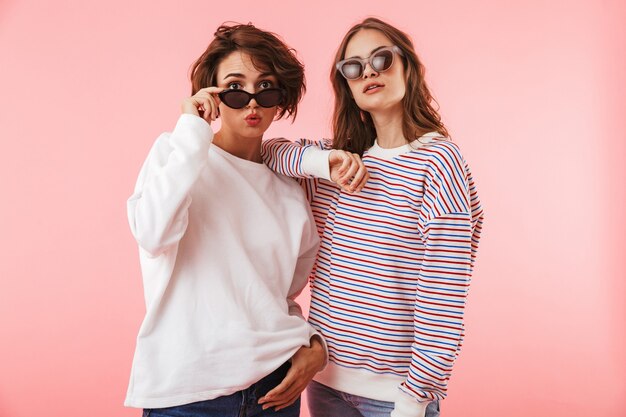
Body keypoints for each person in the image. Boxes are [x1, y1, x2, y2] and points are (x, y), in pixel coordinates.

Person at [261, 17, 484, 417]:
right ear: (345, 83)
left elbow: (443, 295)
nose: (368, 72)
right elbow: (270, 152)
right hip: (324, 382)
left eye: (381, 59)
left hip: (396, 395)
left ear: (408, 68)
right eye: (353, 66)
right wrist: (323, 161)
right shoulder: (337, 164)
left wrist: (414, 399)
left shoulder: (438, 162)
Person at [124, 23, 327, 417]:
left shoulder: (289, 187)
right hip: (188, 393)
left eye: (266, 87)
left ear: (280, 97)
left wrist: (312, 343)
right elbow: (152, 233)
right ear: (212, 94)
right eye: (235, 88)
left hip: (276, 389)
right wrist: (192, 128)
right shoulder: (178, 153)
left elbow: (282, 296)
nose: (252, 102)